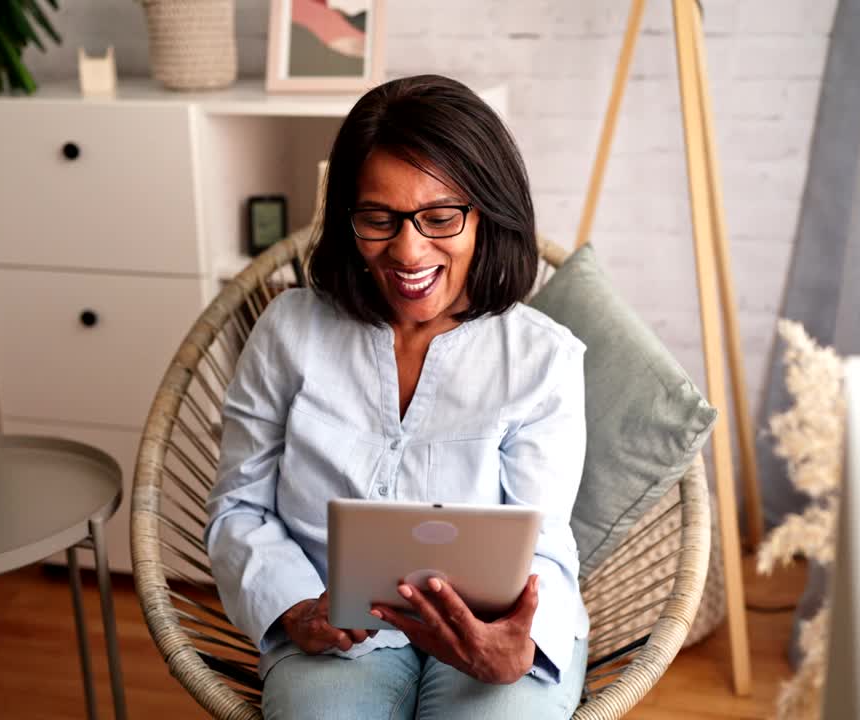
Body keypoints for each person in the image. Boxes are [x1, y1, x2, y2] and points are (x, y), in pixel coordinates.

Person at [205, 74, 588, 719]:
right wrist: (295, 607)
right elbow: (238, 507)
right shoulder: (288, 332)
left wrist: (519, 648)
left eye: (440, 217)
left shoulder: (542, 360)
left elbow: (544, 541)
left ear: (487, 215)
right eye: (378, 219)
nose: (408, 251)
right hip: (328, 626)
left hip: (488, 629)